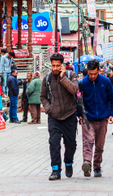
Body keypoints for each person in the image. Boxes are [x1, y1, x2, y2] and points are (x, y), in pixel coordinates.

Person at [40, 53, 79, 181]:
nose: (55, 68)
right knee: (54, 143)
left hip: (70, 116)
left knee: (71, 144)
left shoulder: (70, 75)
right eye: (53, 65)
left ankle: (68, 162)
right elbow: (43, 97)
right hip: (54, 117)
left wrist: (63, 78)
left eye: (58, 65)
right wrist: (48, 108)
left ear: (62, 65)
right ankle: (55, 170)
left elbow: (74, 90)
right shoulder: (46, 79)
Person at [78, 60, 113, 177]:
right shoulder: (82, 83)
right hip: (87, 118)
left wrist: (112, 114)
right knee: (88, 141)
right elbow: (77, 101)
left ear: (99, 70)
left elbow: (112, 98)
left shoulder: (106, 81)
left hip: (102, 118)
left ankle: (97, 166)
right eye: (90, 74)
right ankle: (87, 163)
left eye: (95, 73)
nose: (93, 76)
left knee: (99, 145)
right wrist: (78, 114)